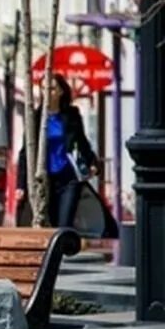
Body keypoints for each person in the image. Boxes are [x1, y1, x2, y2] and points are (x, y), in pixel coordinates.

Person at [17, 73, 99, 228]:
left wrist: (92, 162)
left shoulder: (71, 115)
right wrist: (21, 185)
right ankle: (56, 252)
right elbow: (25, 153)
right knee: (49, 225)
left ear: (61, 91)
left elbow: (81, 142)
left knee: (64, 225)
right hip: (44, 180)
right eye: (43, 88)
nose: (47, 92)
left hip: (68, 178)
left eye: (52, 88)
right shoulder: (35, 118)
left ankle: (63, 250)